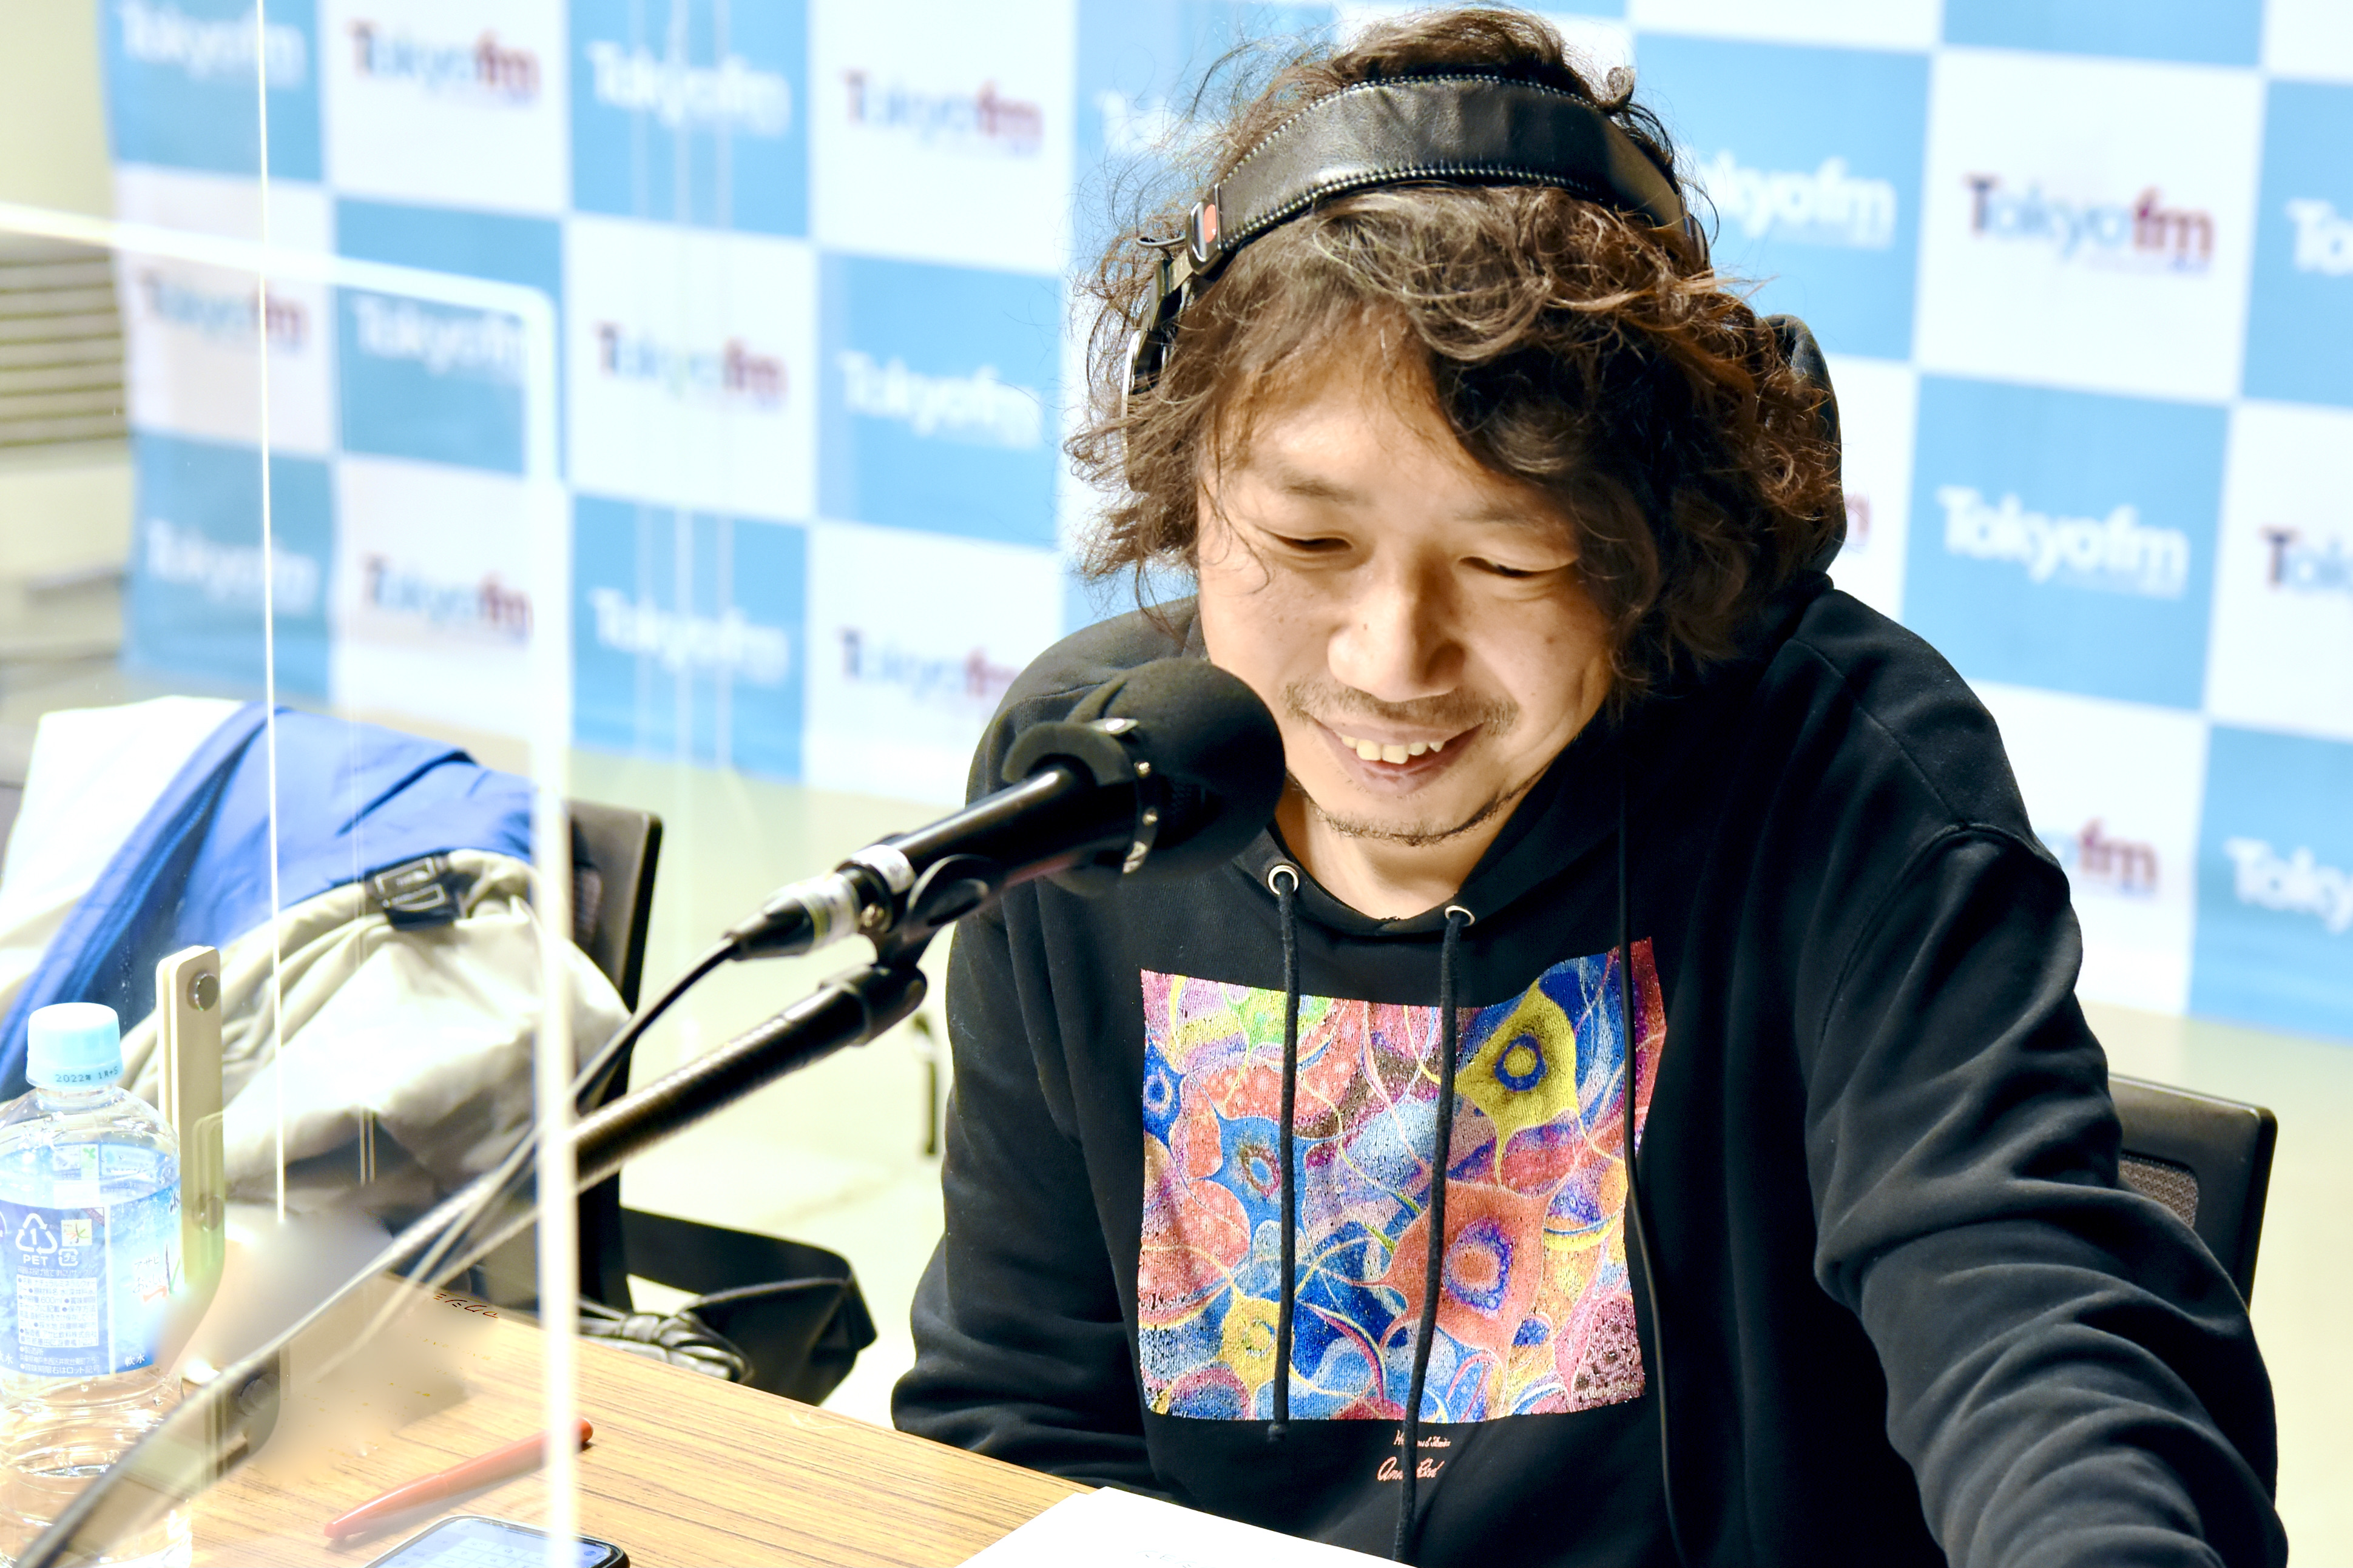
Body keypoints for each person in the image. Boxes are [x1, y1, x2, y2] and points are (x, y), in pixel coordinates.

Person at [892, 12, 2284, 1566]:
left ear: (1656, 548)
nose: (1390, 657)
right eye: (1307, 543)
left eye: (1509, 559)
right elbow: (1017, 1420)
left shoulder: (1845, 776)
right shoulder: (1098, 785)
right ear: (1186, 488)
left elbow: (2029, 1329)